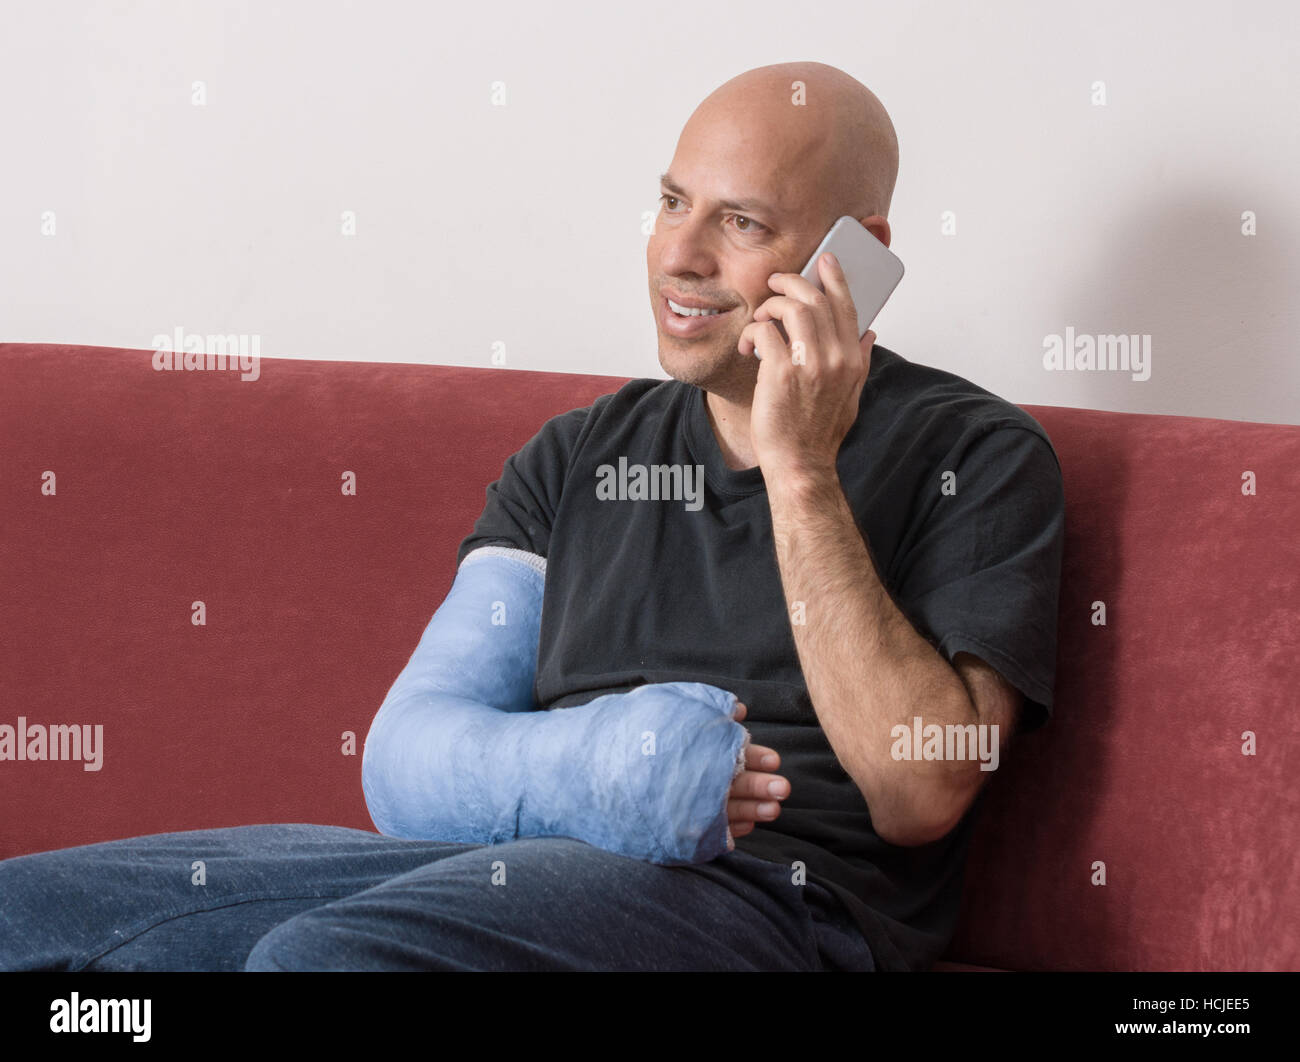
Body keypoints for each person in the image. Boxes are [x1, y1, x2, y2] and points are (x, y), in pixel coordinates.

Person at [0, 61, 1063, 972]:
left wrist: (799, 471)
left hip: (777, 901)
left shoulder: (973, 454)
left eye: (737, 222)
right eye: (671, 201)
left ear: (854, 254)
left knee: (323, 964)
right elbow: (410, 756)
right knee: (27, 922)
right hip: (505, 867)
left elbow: (920, 790)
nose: (678, 256)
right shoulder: (573, 456)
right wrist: (602, 769)